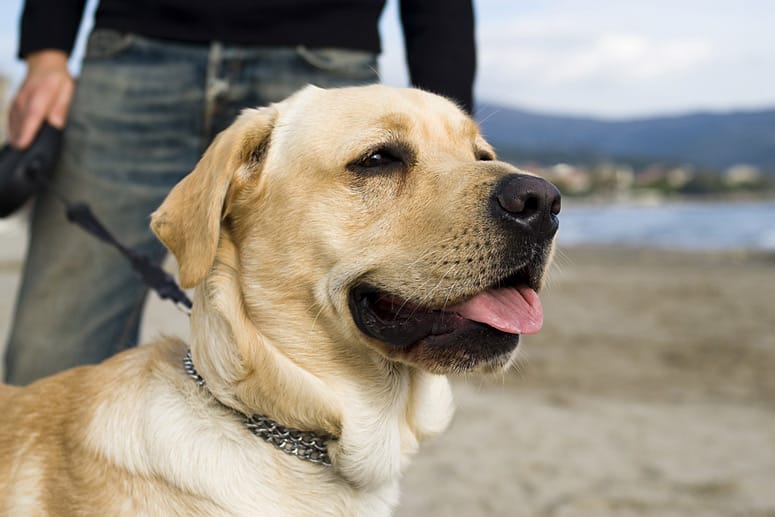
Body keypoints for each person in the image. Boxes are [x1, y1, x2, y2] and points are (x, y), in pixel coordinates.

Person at [4, 0, 476, 385]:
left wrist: (450, 146)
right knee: (47, 359)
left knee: (347, 371)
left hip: (326, 52)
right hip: (133, 53)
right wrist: (47, 52)